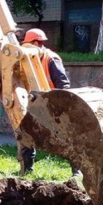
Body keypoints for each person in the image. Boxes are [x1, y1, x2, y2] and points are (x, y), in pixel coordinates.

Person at [19, 28, 80, 178]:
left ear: (35, 43)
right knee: (26, 134)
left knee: (67, 138)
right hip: (34, 103)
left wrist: (60, 106)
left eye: (27, 45)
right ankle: (27, 170)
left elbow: (63, 84)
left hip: (53, 105)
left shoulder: (51, 58)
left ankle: (77, 172)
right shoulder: (26, 60)